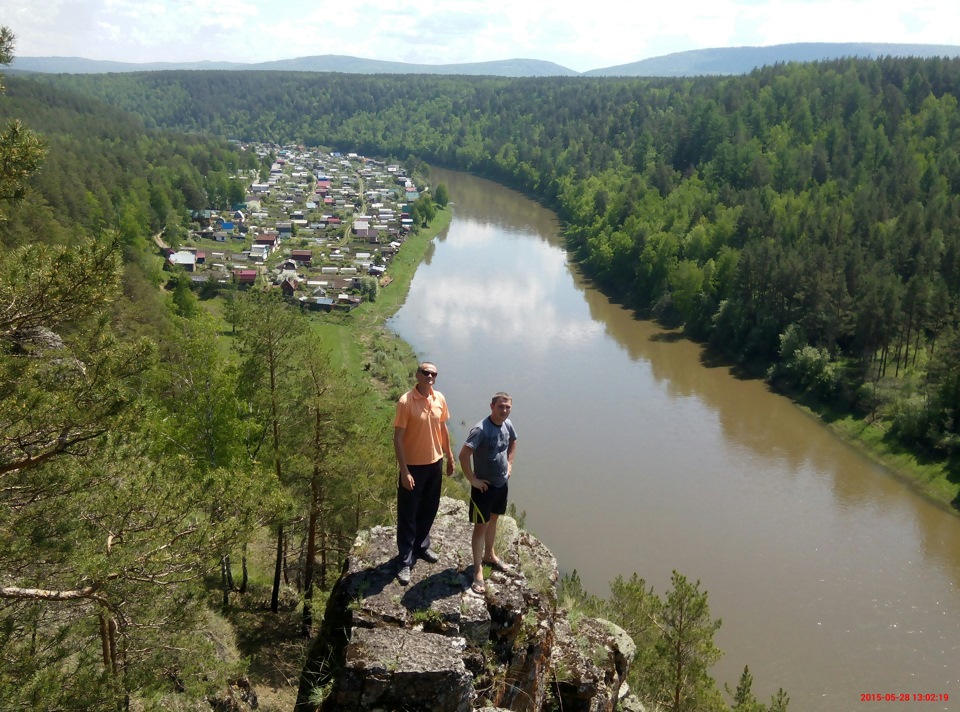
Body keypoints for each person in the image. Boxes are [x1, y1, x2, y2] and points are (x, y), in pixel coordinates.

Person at [393, 361, 455, 585]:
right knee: (408, 513)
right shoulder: (406, 401)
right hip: (413, 467)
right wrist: (404, 471)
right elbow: (398, 438)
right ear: (417, 375)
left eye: (434, 374)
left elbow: (443, 428)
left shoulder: (439, 398)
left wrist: (449, 456)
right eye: (426, 372)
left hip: (434, 463)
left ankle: (421, 547)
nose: (430, 376)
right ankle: (405, 560)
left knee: (429, 508)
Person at [458, 392, 517, 594]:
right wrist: (472, 480)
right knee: (480, 527)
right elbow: (464, 455)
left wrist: (510, 464)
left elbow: (513, 442)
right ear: (492, 406)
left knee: (494, 520)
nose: (504, 410)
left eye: (508, 407)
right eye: (501, 406)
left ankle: (490, 555)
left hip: (501, 485)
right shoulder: (481, 430)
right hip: (483, 488)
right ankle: (477, 571)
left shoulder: (508, 425)